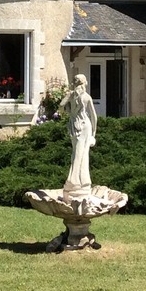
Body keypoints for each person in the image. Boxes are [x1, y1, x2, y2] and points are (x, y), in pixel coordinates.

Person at [59, 73, 98, 204]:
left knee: (77, 153)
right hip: (85, 125)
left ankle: (78, 182)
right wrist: (94, 133)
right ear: (84, 83)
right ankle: (76, 182)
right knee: (81, 154)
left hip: (74, 125)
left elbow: (60, 106)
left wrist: (70, 112)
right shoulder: (86, 97)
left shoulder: (71, 95)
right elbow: (94, 117)